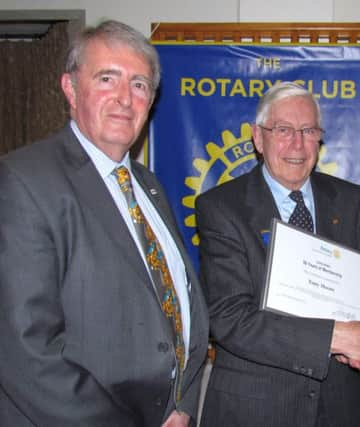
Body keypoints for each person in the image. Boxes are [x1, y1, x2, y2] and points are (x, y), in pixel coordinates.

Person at [0, 20, 209, 426]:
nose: (124, 99)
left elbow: (176, 309)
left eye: (139, 85)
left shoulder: (148, 187)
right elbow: (25, 351)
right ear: (70, 88)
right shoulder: (23, 180)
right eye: (107, 78)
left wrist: (180, 406)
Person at [195, 81, 360, 427]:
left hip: (338, 406)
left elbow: (358, 297)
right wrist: (340, 338)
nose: (298, 144)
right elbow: (230, 318)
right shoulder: (221, 208)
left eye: (308, 130)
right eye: (283, 130)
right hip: (255, 408)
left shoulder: (349, 201)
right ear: (258, 138)